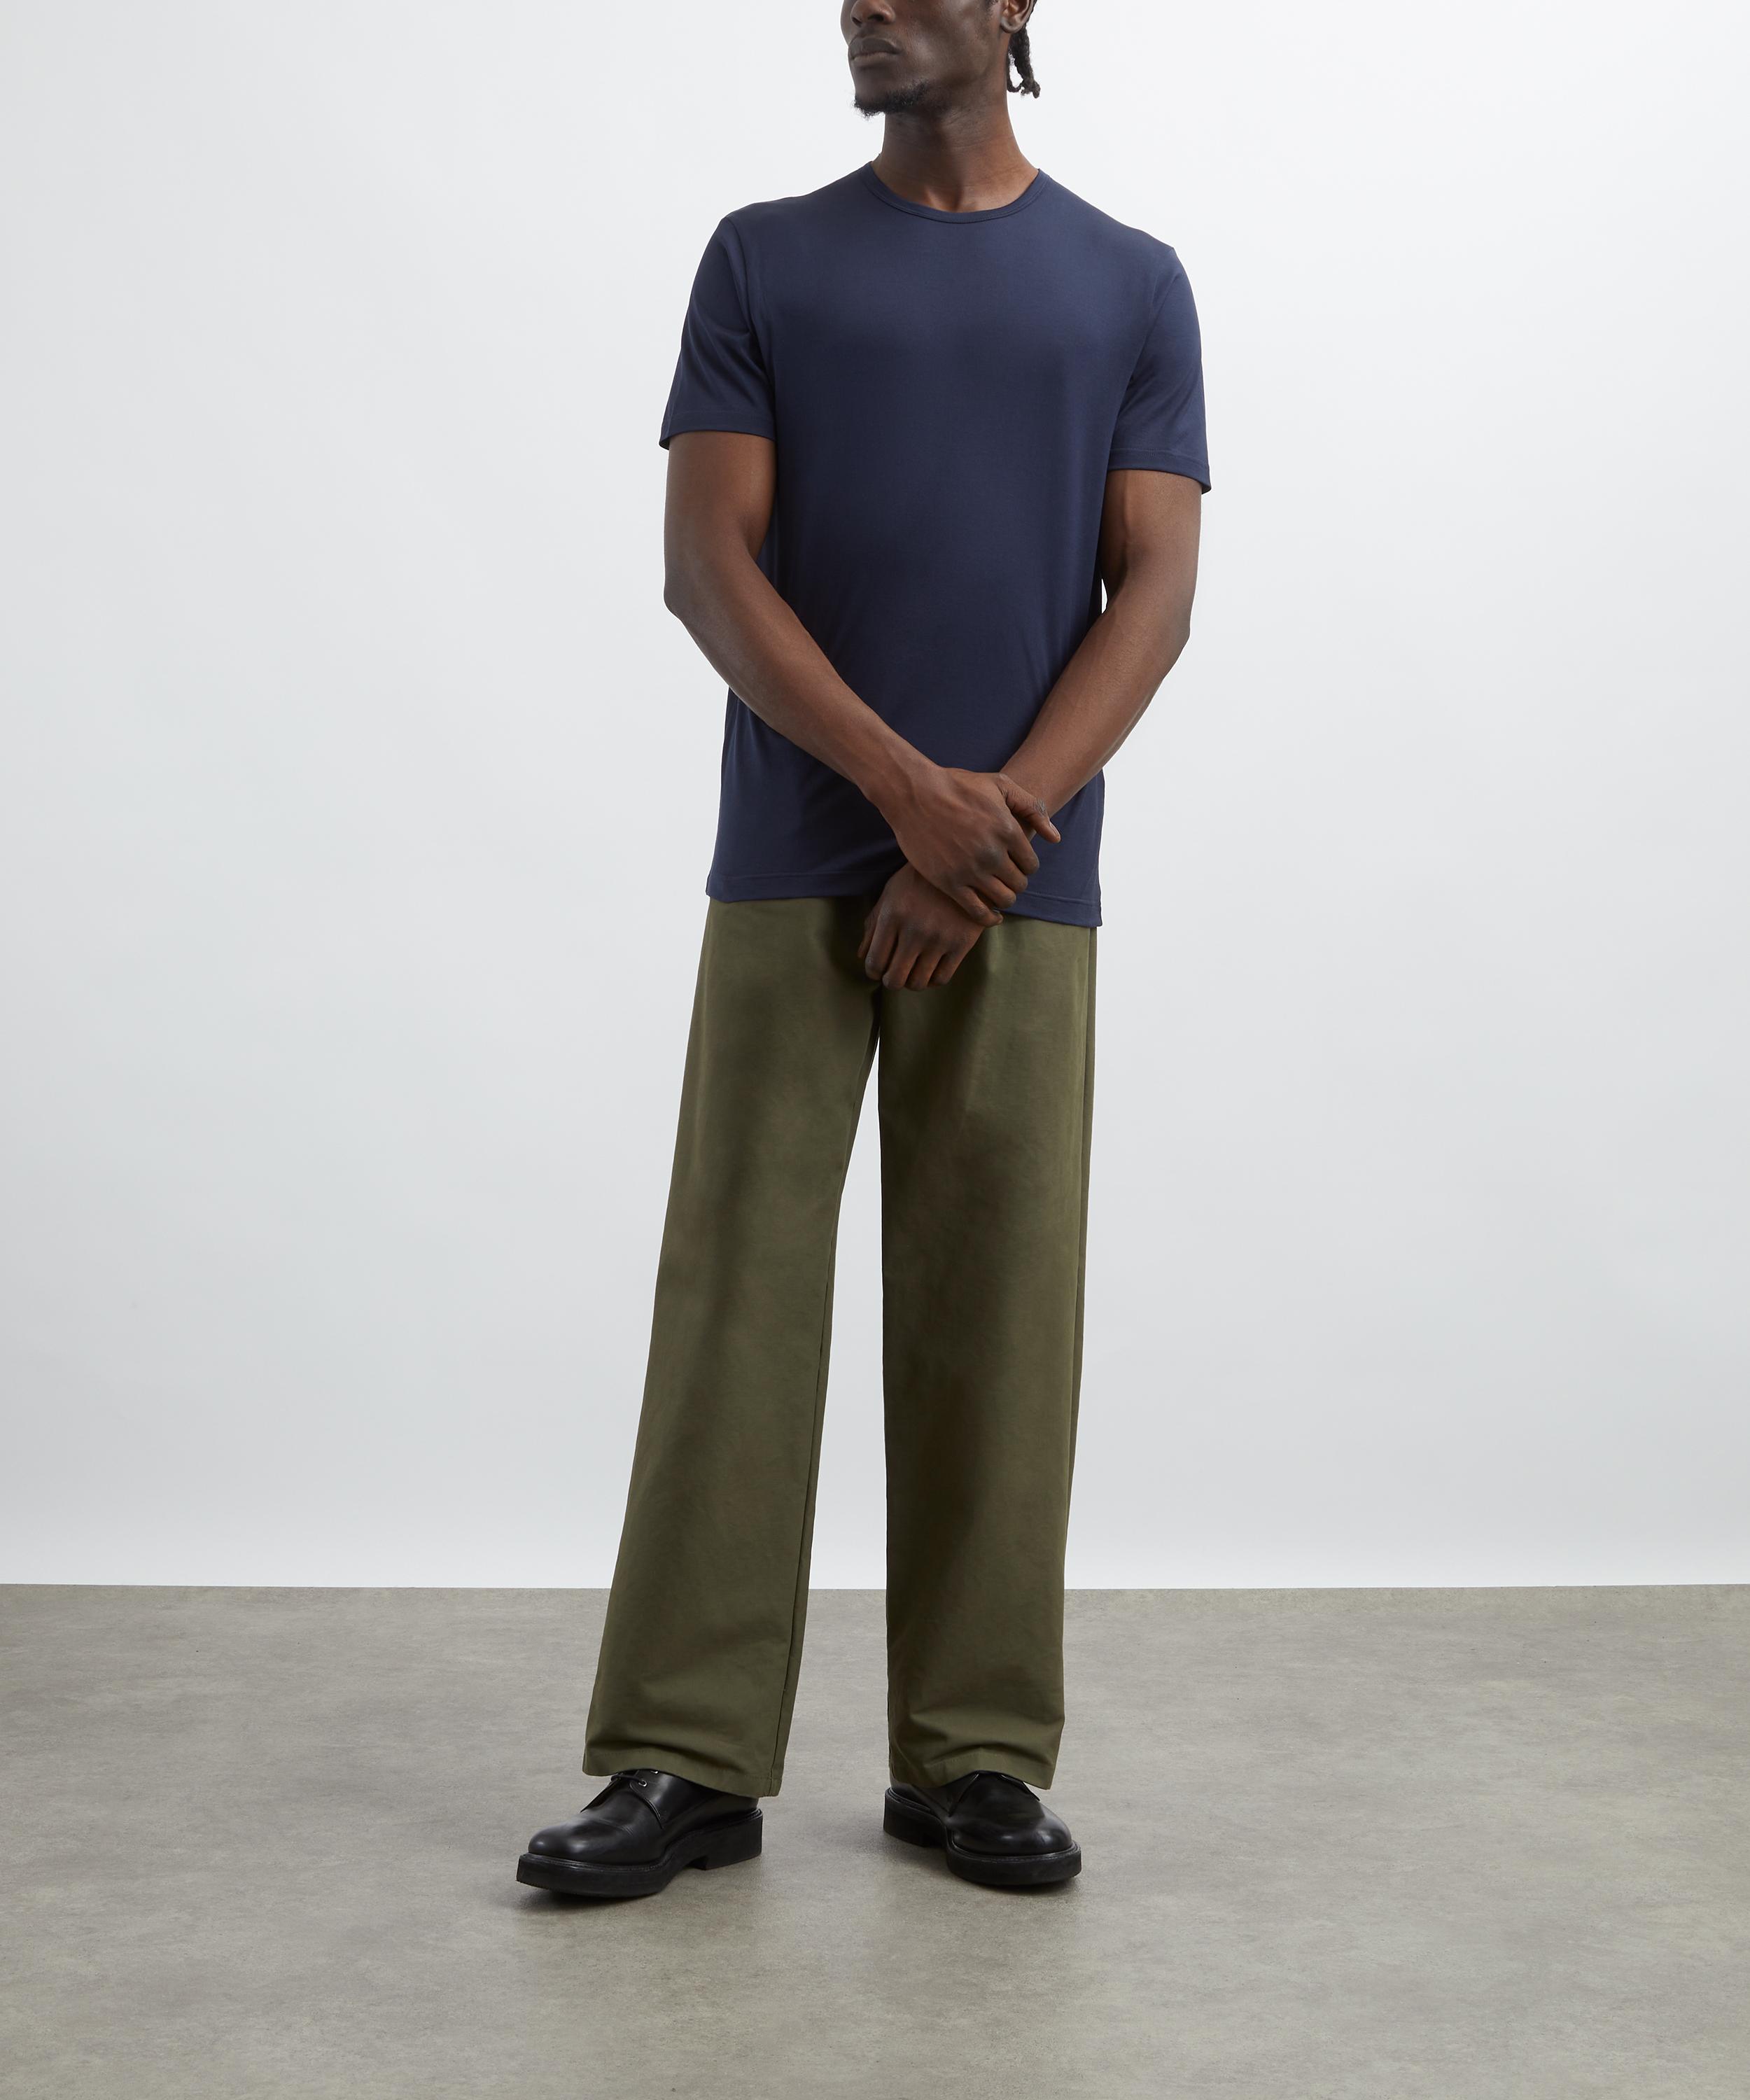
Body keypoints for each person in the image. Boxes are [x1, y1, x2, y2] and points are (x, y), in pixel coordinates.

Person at [517, 0, 1208, 1900]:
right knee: (732, 1299)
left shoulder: (1130, 284)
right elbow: (706, 565)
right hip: (797, 860)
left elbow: (1155, 589)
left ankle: (974, 1754)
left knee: (1001, 1313)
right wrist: (909, 798)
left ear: (1013, 9)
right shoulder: (764, 259)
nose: (865, 7)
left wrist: (985, 840)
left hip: (1020, 879)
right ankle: (682, 1755)